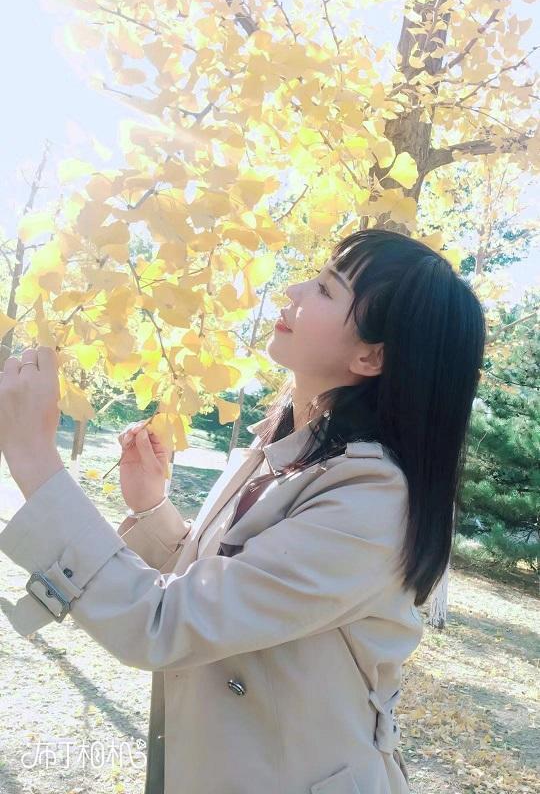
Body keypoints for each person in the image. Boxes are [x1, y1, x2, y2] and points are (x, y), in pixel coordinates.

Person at [0, 227, 486, 794]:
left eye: (325, 289)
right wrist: (153, 508)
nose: (293, 291)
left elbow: (163, 624)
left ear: (371, 355)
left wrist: (33, 456)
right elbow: (221, 592)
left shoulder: (374, 499)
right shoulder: (281, 449)